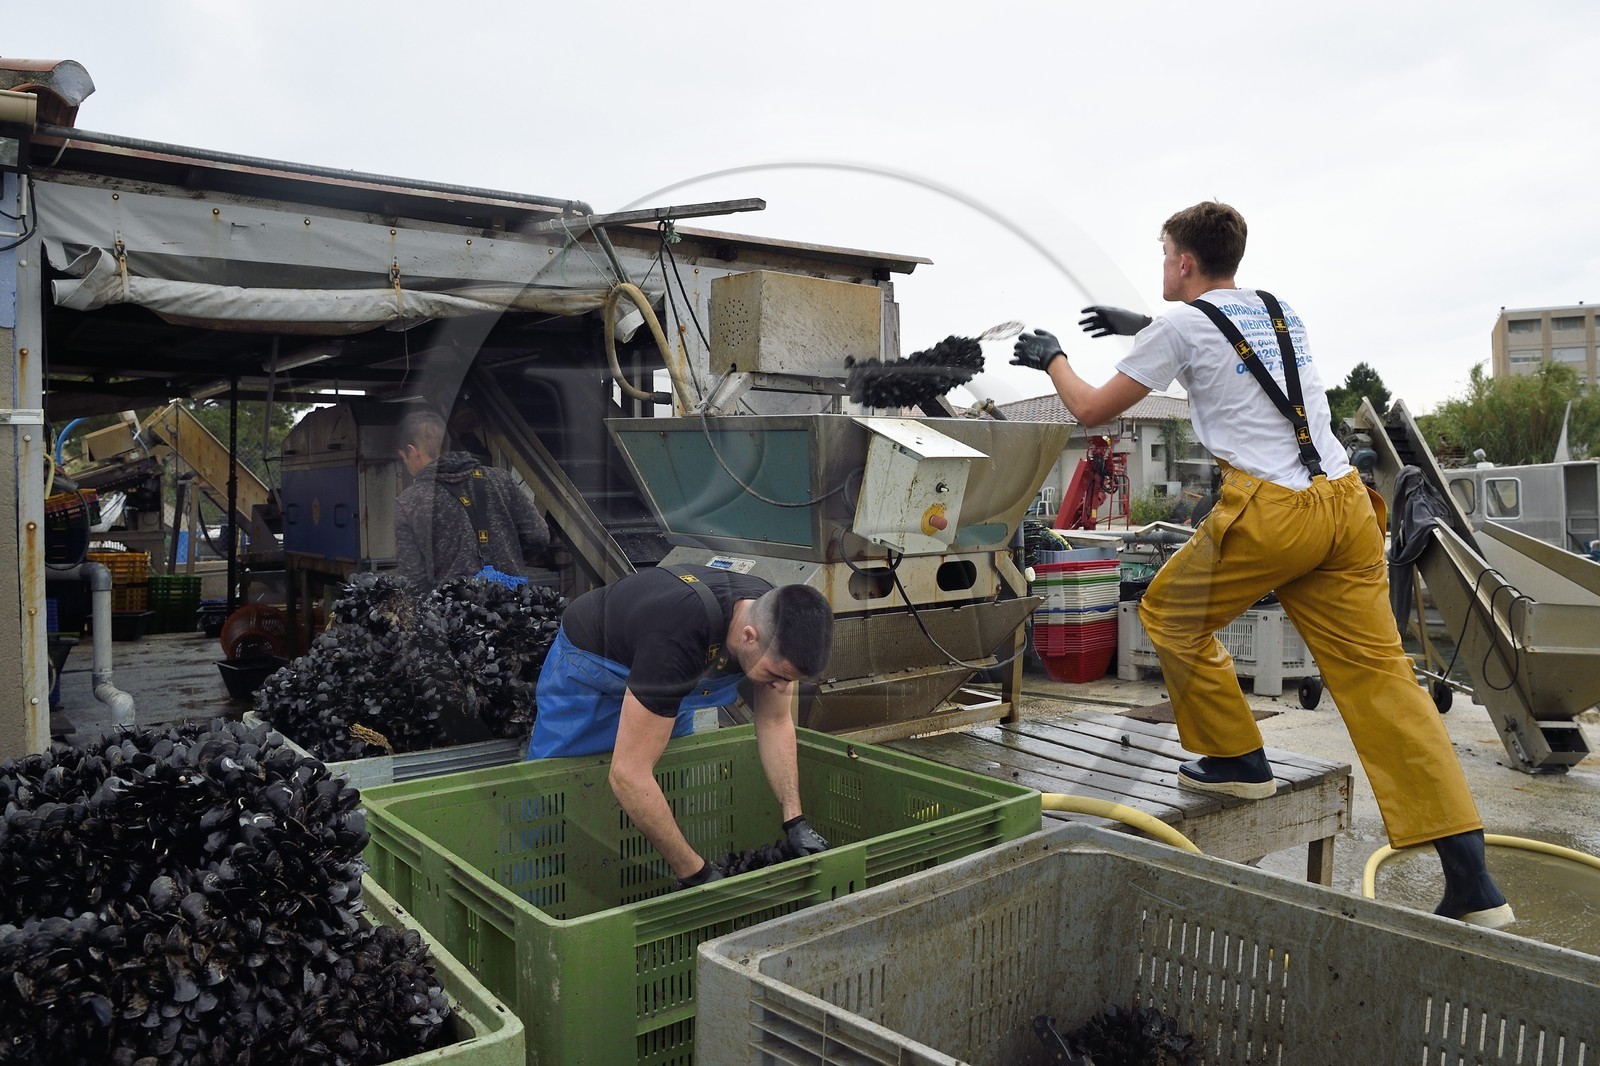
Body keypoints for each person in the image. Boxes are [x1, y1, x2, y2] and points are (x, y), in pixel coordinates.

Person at [1010, 200, 1512, 928]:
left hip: (1274, 511)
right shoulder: (1279, 311)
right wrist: (1140, 326)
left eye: (1165, 255)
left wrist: (1053, 356)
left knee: (1168, 615)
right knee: (1384, 682)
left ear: (1185, 261)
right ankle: (1474, 885)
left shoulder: (1182, 325)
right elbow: (1226, 355)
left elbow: (1090, 409)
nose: (1161, 266)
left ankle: (1238, 762)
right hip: (1345, 505)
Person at [526, 564, 835, 887]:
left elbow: (775, 721)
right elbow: (628, 775)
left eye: (790, 680)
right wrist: (696, 874)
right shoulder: (677, 637)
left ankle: (644, 887)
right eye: (776, 675)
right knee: (553, 799)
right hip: (591, 674)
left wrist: (795, 821)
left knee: (667, 789)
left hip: (667, 680)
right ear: (748, 636)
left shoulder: (774, 618)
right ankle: (539, 892)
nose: (781, 688)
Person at [393, 409, 550, 588]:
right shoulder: (501, 480)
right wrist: (510, 556)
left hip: (450, 604)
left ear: (413, 451)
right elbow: (538, 535)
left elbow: (412, 578)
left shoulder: (409, 502)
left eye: (404, 459)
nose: (407, 466)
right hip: (514, 600)